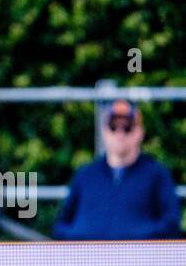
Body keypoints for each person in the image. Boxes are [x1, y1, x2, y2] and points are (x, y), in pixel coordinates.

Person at [53, 99, 181, 240]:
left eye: (127, 127)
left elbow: (171, 223)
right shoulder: (85, 175)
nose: (120, 134)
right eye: (113, 127)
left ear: (140, 132)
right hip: (88, 258)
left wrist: (136, 239)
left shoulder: (157, 175)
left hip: (139, 259)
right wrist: (83, 239)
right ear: (105, 132)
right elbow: (61, 225)